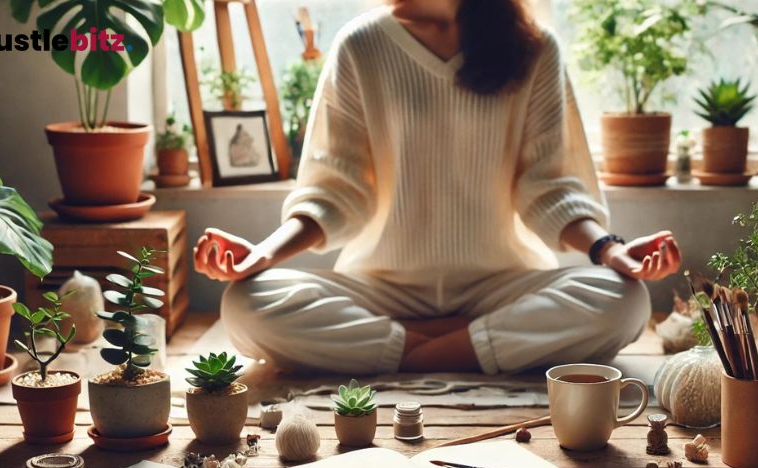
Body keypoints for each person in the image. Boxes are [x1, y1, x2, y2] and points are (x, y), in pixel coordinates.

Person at [194, 0, 682, 374]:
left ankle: (404, 348)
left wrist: (610, 252)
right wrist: (261, 255)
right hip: (381, 288)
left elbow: (550, 189)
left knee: (625, 301)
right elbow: (335, 192)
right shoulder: (361, 44)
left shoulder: (534, 47)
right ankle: (471, 345)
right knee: (244, 306)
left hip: (501, 286)